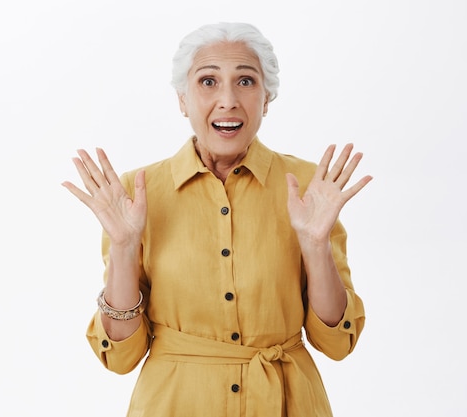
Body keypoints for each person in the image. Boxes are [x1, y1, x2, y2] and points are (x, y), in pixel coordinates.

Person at [62, 22, 372, 417]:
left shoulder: (311, 188)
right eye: (208, 81)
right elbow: (121, 357)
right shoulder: (136, 193)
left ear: (267, 98)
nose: (227, 100)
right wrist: (124, 248)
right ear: (182, 100)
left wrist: (315, 245)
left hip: (288, 403)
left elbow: (336, 344)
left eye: (245, 81)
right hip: (175, 404)